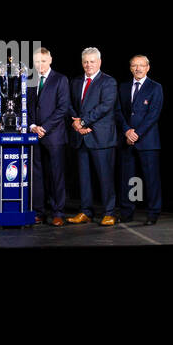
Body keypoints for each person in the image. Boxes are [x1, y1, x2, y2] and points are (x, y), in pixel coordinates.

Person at [66, 47, 118, 225]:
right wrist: (76, 123)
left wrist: (84, 122)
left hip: (101, 137)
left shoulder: (108, 82)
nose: (89, 65)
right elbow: (70, 104)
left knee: (105, 177)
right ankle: (86, 211)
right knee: (84, 178)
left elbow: (105, 106)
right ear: (82, 63)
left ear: (100, 62)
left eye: (92, 61)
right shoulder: (76, 81)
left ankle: (109, 212)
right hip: (81, 137)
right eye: (86, 62)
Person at [115, 55, 164, 225]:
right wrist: (127, 131)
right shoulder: (123, 86)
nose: (138, 68)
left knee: (151, 179)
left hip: (148, 141)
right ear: (130, 68)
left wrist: (137, 134)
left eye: (141, 65)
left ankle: (153, 213)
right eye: (134, 65)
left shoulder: (155, 87)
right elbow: (118, 111)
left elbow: (153, 115)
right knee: (128, 179)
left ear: (148, 67)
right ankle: (127, 212)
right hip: (126, 140)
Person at [30, 47, 71, 225]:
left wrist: (44, 128)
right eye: (37, 61)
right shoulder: (30, 80)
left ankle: (58, 212)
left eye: (43, 61)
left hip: (54, 135)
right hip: (33, 135)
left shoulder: (60, 79)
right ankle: (39, 211)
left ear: (50, 60)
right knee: (36, 175)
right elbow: (27, 106)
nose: (40, 64)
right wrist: (32, 126)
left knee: (56, 174)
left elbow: (63, 108)